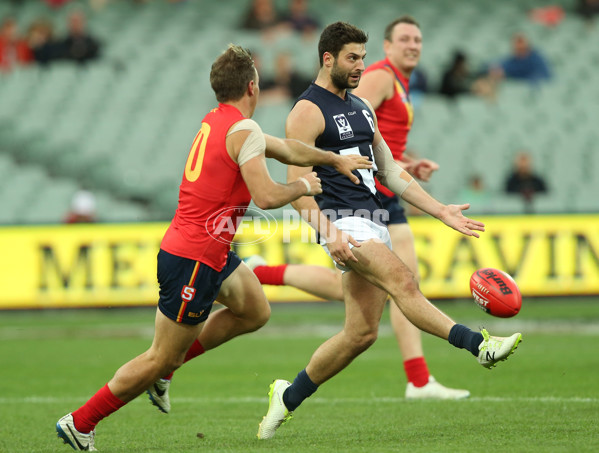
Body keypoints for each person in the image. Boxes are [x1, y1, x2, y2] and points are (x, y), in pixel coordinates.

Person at [55, 44, 371, 451]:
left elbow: (289, 149)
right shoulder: (244, 130)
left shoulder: (220, 121)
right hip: (194, 258)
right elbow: (266, 195)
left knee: (255, 310)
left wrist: (331, 158)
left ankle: (168, 369)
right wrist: (304, 185)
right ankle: (81, 422)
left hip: (208, 251)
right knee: (158, 356)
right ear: (253, 87)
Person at [255, 21, 523, 440]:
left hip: (373, 218)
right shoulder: (306, 111)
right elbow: (299, 189)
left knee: (360, 334)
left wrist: (440, 211)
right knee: (404, 281)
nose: (361, 65)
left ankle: (287, 396)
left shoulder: (362, 107)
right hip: (342, 222)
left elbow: (391, 170)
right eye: (352, 58)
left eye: (363, 57)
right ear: (328, 59)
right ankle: (479, 345)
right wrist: (330, 234)